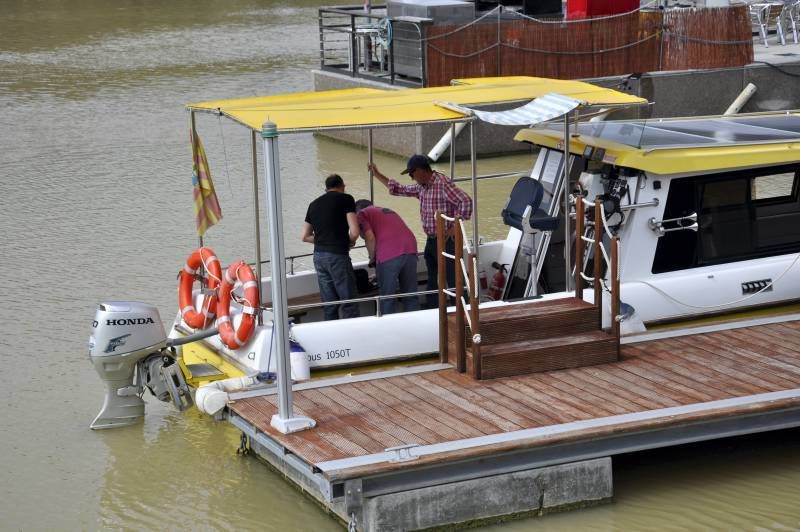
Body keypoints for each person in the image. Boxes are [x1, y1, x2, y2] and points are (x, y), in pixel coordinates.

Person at [367, 155, 473, 308]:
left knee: (453, 277)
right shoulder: (422, 187)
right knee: (433, 277)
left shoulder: (442, 184)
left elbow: (465, 201)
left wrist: (454, 226)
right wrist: (377, 174)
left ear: (422, 171)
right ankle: (433, 310)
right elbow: (399, 189)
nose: (411, 177)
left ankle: (464, 310)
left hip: (446, 240)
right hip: (431, 240)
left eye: (412, 173)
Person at [302, 174, 360, 320]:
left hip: (319, 257)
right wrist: (348, 242)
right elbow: (354, 231)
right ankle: (352, 336)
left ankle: (331, 337)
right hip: (337, 256)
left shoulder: (313, 204)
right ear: (342, 186)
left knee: (330, 304)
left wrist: (324, 239)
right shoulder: (346, 199)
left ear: (326, 188)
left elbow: (305, 236)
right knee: (349, 302)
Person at [355, 199, 420, 314]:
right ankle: (414, 325)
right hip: (410, 248)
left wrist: (372, 258)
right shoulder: (386, 210)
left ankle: (388, 329)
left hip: (389, 251)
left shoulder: (362, 213)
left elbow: (369, 237)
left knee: (387, 297)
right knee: (410, 294)